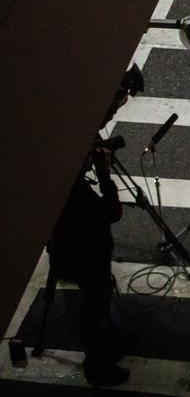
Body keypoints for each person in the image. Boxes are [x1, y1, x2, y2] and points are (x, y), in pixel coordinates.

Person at [47, 143, 128, 387]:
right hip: (88, 254)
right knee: (95, 305)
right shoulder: (76, 193)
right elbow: (112, 212)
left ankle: (115, 338)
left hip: (78, 252)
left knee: (99, 298)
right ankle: (98, 364)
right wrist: (104, 175)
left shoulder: (64, 184)